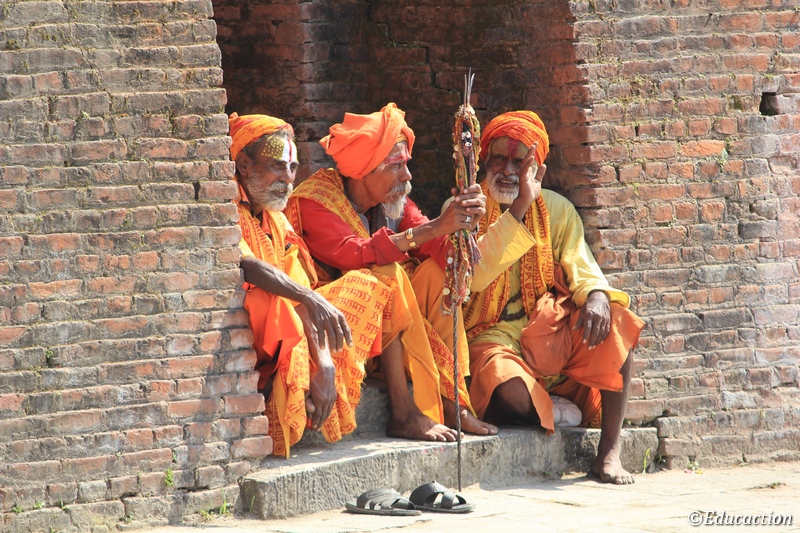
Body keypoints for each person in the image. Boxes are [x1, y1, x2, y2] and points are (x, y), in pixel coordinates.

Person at [285, 103, 498, 442]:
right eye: (396, 166)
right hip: (333, 327)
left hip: (388, 330)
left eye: (406, 164)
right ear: (363, 172)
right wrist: (435, 227)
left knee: (436, 275)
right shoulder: (315, 201)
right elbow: (356, 254)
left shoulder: (394, 201)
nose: (407, 176)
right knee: (386, 272)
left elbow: (441, 251)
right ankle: (402, 411)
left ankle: (453, 402)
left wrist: (463, 225)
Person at [463, 110, 645, 484]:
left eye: (519, 162)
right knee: (511, 389)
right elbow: (476, 275)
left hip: (548, 330)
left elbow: (581, 262)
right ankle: (541, 406)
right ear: (484, 159)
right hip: (490, 335)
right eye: (499, 159)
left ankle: (609, 452)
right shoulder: (468, 207)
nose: (508, 170)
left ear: (537, 168)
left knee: (618, 325)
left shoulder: (557, 209)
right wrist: (520, 207)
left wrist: (596, 294)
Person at [229, 113, 392, 457]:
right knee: (283, 305)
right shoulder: (225, 208)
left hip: (286, 325)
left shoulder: (276, 217)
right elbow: (248, 266)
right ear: (243, 164)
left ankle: (310, 387)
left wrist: (326, 363)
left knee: (365, 285)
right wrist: (310, 300)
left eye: (292, 168)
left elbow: (300, 287)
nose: (288, 179)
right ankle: (294, 398)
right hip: (248, 329)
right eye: (277, 166)